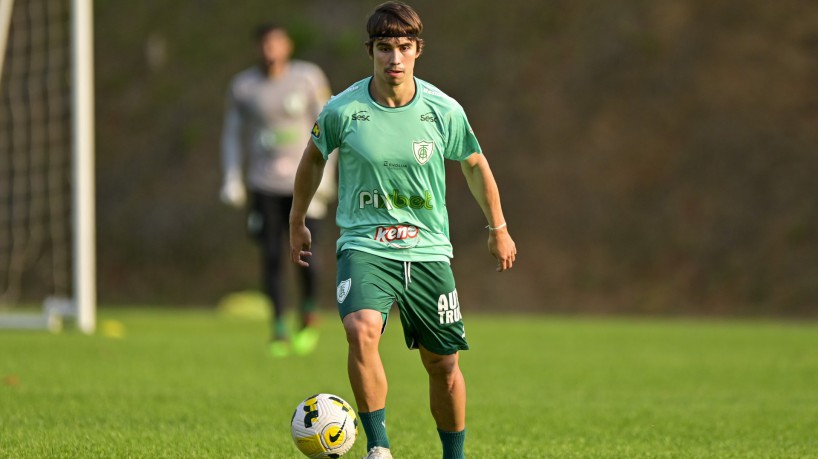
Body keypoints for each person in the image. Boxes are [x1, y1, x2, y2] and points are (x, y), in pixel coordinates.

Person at [289, 2, 517, 458]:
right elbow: (313, 157)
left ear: (418, 51)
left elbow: (474, 164)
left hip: (429, 249)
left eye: (404, 48)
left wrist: (499, 227)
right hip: (364, 243)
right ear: (371, 51)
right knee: (361, 329)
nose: (395, 58)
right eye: (385, 48)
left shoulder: (442, 110)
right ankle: (379, 448)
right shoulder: (344, 109)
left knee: (443, 365)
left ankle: (454, 455)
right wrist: (297, 219)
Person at [220, 23, 336, 358]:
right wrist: (231, 177)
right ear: (258, 47)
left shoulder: (308, 78)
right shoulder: (244, 87)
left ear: (288, 46)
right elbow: (231, 134)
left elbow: (329, 127)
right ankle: (279, 327)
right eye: (265, 44)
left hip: (304, 184)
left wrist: (327, 178)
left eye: (276, 43)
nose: (271, 50)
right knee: (271, 255)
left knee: (308, 258)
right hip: (263, 184)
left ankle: (309, 313)